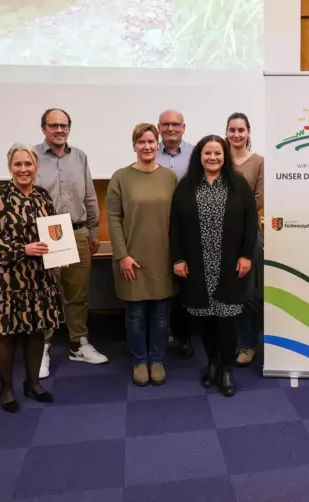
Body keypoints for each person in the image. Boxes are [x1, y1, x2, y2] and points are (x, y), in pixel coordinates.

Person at [0, 143, 64, 412]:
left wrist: (59, 251)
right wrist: (21, 249)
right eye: (18, 164)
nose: (24, 169)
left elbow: (54, 232)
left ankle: (33, 383)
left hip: (39, 278)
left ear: (36, 167)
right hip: (7, 280)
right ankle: (6, 389)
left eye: (28, 164)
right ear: (10, 167)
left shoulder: (42, 196)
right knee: (6, 336)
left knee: (38, 332)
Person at [170, 135, 258, 397]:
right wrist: (177, 258)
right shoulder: (186, 186)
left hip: (230, 266)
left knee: (228, 319)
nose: (212, 158)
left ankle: (227, 368)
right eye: (207, 153)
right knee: (204, 319)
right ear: (199, 155)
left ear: (225, 156)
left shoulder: (238, 184)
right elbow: (174, 226)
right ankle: (212, 362)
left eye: (218, 153)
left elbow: (250, 223)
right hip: (196, 266)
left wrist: (246, 256)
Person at [35, 108, 107, 379]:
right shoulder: (32, 156)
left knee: (78, 293)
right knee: (48, 293)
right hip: (47, 232)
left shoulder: (80, 156)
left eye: (64, 126)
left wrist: (93, 230)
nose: (59, 130)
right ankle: (42, 348)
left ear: (69, 129)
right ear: (43, 129)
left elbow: (89, 194)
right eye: (53, 126)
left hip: (77, 232)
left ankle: (78, 344)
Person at [107, 123, 178, 387]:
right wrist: (122, 255)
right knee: (135, 314)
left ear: (157, 144)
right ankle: (140, 361)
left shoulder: (170, 177)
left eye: (151, 141)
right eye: (141, 142)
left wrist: (178, 256)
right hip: (132, 257)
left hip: (163, 255)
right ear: (134, 146)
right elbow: (113, 219)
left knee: (161, 313)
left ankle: (157, 360)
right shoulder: (120, 178)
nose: (147, 147)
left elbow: (178, 220)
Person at [156, 109, 196, 359]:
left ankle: (185, 336)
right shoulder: (149, 151)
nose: (171, 128)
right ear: (158, 127)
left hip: (187, 229)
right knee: (160, 280)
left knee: (185, 285)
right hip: (157, 226)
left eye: (176, 124)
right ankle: (162, 334)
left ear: (184, 127)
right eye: (166, 124)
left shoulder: (195, 154)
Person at [226, 112, 264, 366]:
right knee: (225, 293)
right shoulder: (217, 157)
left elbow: (259, 198)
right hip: (219, 234)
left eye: (241, 130)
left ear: (248, 132)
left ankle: (248, 344)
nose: (237, 134)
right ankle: (227, 342)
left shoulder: (259, 162)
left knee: (249, 292)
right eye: (232, 130)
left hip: (249, 232)